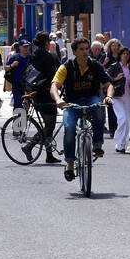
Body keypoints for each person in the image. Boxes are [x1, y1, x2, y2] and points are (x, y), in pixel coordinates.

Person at [50, 37, 113, 182]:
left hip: (91, 98)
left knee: (99, 108)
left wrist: (109, 96)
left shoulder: (95, 65)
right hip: (71, 101)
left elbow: (109, 85)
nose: (85, 52)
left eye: (87, 49)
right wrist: (59, 100)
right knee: (70, 128)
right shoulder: (66, 66)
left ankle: (97, 145)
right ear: (74, 51)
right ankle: (70, 165)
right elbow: (54, 86)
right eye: (81, 49)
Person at [28, 32, 61, 164]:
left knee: (48, 125)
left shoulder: (33, 56)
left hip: (36, 93)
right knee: (50, 126)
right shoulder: (50, 56)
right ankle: (29, 146)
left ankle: (49, 155)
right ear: (47, 43)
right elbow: (59, 72)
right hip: (48, 93)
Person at [107, 46, 130, 153]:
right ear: (120, 55)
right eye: (123, 54)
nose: (125, 55)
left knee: (127, 122)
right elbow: (106, 79)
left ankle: (123, 144)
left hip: (128, 97)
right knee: (122, 118)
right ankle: (118, 140)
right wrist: (116, 78)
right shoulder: (114, 66)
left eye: (127, 54)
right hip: (117, 97)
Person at [5, 40, 32, 113]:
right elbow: (5, 68)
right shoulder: (14, 57)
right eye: (24, 47)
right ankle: (16, 123)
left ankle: (24, 122)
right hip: (17, 84)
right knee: (18, 105)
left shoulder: (31, 57)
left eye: (27, 47)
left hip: (28, 85)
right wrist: (12, 65)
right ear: (20, 47)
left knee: (26, 106)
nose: (26, 48)